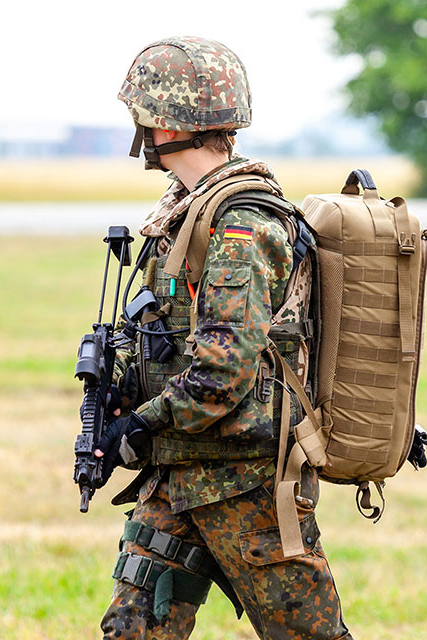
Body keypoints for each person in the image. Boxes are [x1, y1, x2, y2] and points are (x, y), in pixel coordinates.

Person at [92, 37, 353, 639]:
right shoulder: (185, 209)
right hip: (179, 472)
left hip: (246, 485)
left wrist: (139, 425)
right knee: (132, 630)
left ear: (165, 124)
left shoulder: (241, 225)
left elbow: (221, 374)